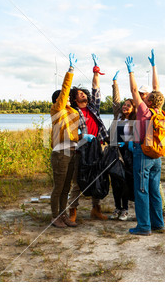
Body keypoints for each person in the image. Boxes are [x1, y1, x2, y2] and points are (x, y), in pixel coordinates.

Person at [125, 49, 165, 235]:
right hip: (157, 155)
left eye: (146, 95)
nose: (144, 95)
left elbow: (134, 90)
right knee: (154, 191)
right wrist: (154, 66)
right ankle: (158, 224)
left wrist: (131, 72)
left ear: (148, 100)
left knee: (142, 191)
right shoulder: (160, 111)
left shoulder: (144, 111)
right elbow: (156, 88)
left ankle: (144, 227)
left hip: (143, 154)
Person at [67, 53, 109, 222]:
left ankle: (96, 209)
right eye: (79, 94)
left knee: (97, 177)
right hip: (82, 149)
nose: (83, 95)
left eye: (83, 93)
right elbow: (71, 133)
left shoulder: (93, 108)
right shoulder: (73, 112)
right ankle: (72, 211)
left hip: (97, 146)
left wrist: (96, 72)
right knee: (79, 181)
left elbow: (96, 90)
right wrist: (83, 136)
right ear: (74, 98)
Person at [49, 53, 81, 228]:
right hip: (60, 153)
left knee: (66, 188)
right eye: (65, 97)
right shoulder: (57, 109)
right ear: (58, 99)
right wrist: (70, 71)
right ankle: (55, 217)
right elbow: (64, 92)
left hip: (71, 152)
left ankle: (63, 216)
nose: (69, 98)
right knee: (59, 187)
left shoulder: (70, 112)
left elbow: (73, 132)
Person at [108, 70, 136, 221]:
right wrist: (115, 84)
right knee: (115, 182)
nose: (125, 107)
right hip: (114, 153)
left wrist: (125, 143)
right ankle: (116, 208)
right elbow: (115, 100)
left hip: (127, 156)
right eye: (124, 105)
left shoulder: (135, 121)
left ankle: (125, 209)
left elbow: (135, 138)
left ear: (133, 109)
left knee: (124, 182)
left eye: (128, 105)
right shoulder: (117, 116)